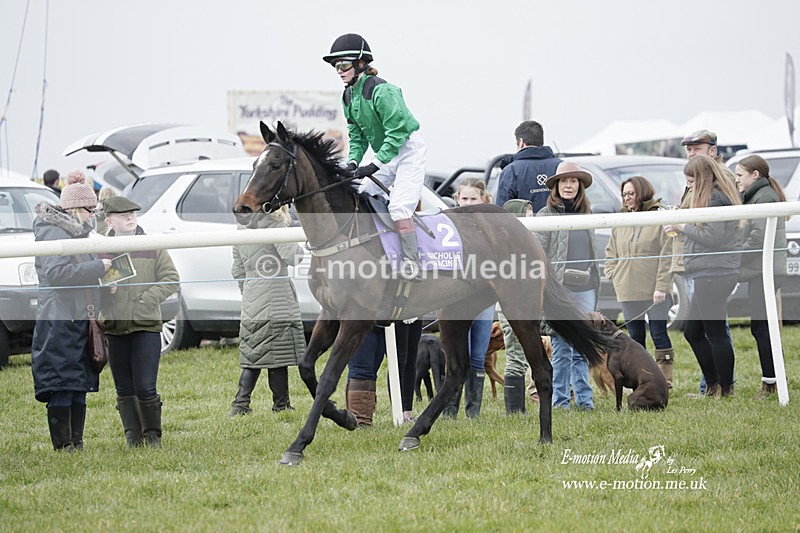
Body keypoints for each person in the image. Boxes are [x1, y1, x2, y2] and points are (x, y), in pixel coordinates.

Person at [323, 33, 428, 280]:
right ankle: (377, 254)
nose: (339, 71)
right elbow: (357, 135)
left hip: (408, 151)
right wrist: (352, 162)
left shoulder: (382, 91)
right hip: (386, 153)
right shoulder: (348, 96)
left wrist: (375, 164)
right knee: (364, 196)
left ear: (361, 64)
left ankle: (412, 265)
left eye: (343, 65)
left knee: (400, 208)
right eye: (335, 67)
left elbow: (399, 132)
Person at [31, 170, 111, 451]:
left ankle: (76, 442)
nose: (93, 215)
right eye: (91, 210)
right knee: (62, 383)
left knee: (79, 384)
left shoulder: (78, 232)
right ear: (78, 207)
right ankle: (64, 446)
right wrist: (97, 268)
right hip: (59, 320)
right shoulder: (52, 231)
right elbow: (56, 273)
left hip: (77, 318)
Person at [99, 196, 179, 448]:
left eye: (133, 213)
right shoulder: (101, 250)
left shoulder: (152, 245)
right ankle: (133, 438)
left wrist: (146, 301)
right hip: (114, 327)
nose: (130, 217)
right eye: (124, 215)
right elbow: (90, 286)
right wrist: (104, 293)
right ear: (109, 220)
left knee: (146, 386)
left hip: (146, 326)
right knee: (123, 388)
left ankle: (153, 436)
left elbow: (171, 279)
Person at [664, 155, 742, 398]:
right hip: (710, 271)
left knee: (715, 332)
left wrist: (681, 225)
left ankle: (724, 388)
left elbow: (712, 237)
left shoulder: (714, 198)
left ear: (701, 178)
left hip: (714, 272)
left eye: (691, 181)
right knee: (693, 332)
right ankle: (713, 384)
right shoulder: (714, 195)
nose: (689, 186)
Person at [229, 206, 306, 416]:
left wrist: (249, 292)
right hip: (276, 296)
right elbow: (293, 257)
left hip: (252, 295)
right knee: (272, 353)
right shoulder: (275, 225)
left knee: (257, 352)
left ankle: (254, 403)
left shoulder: (242, 227)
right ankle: (268, 404)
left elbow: (237, 269)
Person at [534, 161, 599, 410]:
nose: (568, 185)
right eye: (564, 181)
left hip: (586, 287)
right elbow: (537, 255)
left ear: (580, 186)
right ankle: (561, 402)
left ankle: (585, 400)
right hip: (559, 290)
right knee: (561, 348)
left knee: (583, 346)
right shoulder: (545, 216)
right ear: (556, 186)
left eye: (573, 181)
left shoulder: (587, 214)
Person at [604, 176, 675, 387]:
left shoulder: (658, 218)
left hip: (655, 291)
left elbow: (667, 255)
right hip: (627, 290)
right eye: (624, 194)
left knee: (658, 333)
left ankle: (665, 381)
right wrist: (614, 274)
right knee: (635, 339)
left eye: (631, 193)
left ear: (642, 193)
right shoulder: (621, 221)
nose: (627, 198)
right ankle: (640, 379)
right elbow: (610, 252)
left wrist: (661, 287)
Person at [442, 178, 494, 419]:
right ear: (457, 199)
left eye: (474, 199)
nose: (468, 203)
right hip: (455, 298)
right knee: (454, 353)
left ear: (483, 200)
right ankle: (449, 409)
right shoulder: (447, 227)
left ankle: (473, 411)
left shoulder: (492, 228)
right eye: (465, 198)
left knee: (477, 356)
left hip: (483, 299)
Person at [735, 155, 786, 399]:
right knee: (762, 328)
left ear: (755, 175)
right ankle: (774, 379)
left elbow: (756, 239)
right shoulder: (760, 195)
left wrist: (734, 256)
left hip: (764, 271)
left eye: (739, 175)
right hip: (762, 271)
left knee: (762, 328)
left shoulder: (764, 197)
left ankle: (771, 382)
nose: (737, 181)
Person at [345, 321, 423, 426]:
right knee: (362, 370)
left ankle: (364, 420)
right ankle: (359, 421)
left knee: (369, 370)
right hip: (360, 318)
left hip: (381, 320)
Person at [499, 199, 534, 414]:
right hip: (511, 305)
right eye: (526, 217)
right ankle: (514, 411)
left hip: (525, 302)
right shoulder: (505, 246)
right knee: (515, 355)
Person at [494, 121, 562, 214]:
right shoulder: (561, 167)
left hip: (523, 227)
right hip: (560, 227)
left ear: (521, 142)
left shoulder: (511, 170)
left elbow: (502, 212)